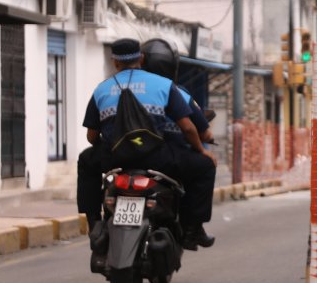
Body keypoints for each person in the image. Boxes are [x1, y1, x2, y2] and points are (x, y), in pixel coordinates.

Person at [79, 38, 217, 250]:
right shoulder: (164, 86)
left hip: (114, 157)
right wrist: (201, 151)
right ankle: (192, 229)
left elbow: (91, 136)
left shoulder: (101, 89)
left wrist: (103, 148)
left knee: (86, 160)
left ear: (115, 62)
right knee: (205, 166)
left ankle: (93, 221)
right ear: (140, 59)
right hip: (155, 157)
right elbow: (189, 128)